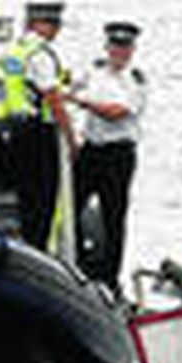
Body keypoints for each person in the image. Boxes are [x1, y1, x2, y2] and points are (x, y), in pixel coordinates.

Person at [71, 21, 147, 293]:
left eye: (125, 47)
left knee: (113, 216)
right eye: (115, 46)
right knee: (71, 207)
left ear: (132, 50)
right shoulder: (92, 72)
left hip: (118, 153)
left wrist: (84, 103)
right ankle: (78, 265)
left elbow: (117, 112)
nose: (120, 52)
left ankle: (109, 277)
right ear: (107, 47)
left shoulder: (135, 79)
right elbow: (67, 88)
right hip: (91, 150)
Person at [1, 0, 75, 250]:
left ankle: (29, 243)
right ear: (38, 24)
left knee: (27, 197)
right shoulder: (40, 55)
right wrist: (71, 138)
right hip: (38, 131)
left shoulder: (16, 50)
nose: (57, 30)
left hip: (16, 130)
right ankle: (39, 248)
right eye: (53, 24)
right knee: (45, 199)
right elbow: (53, 98)